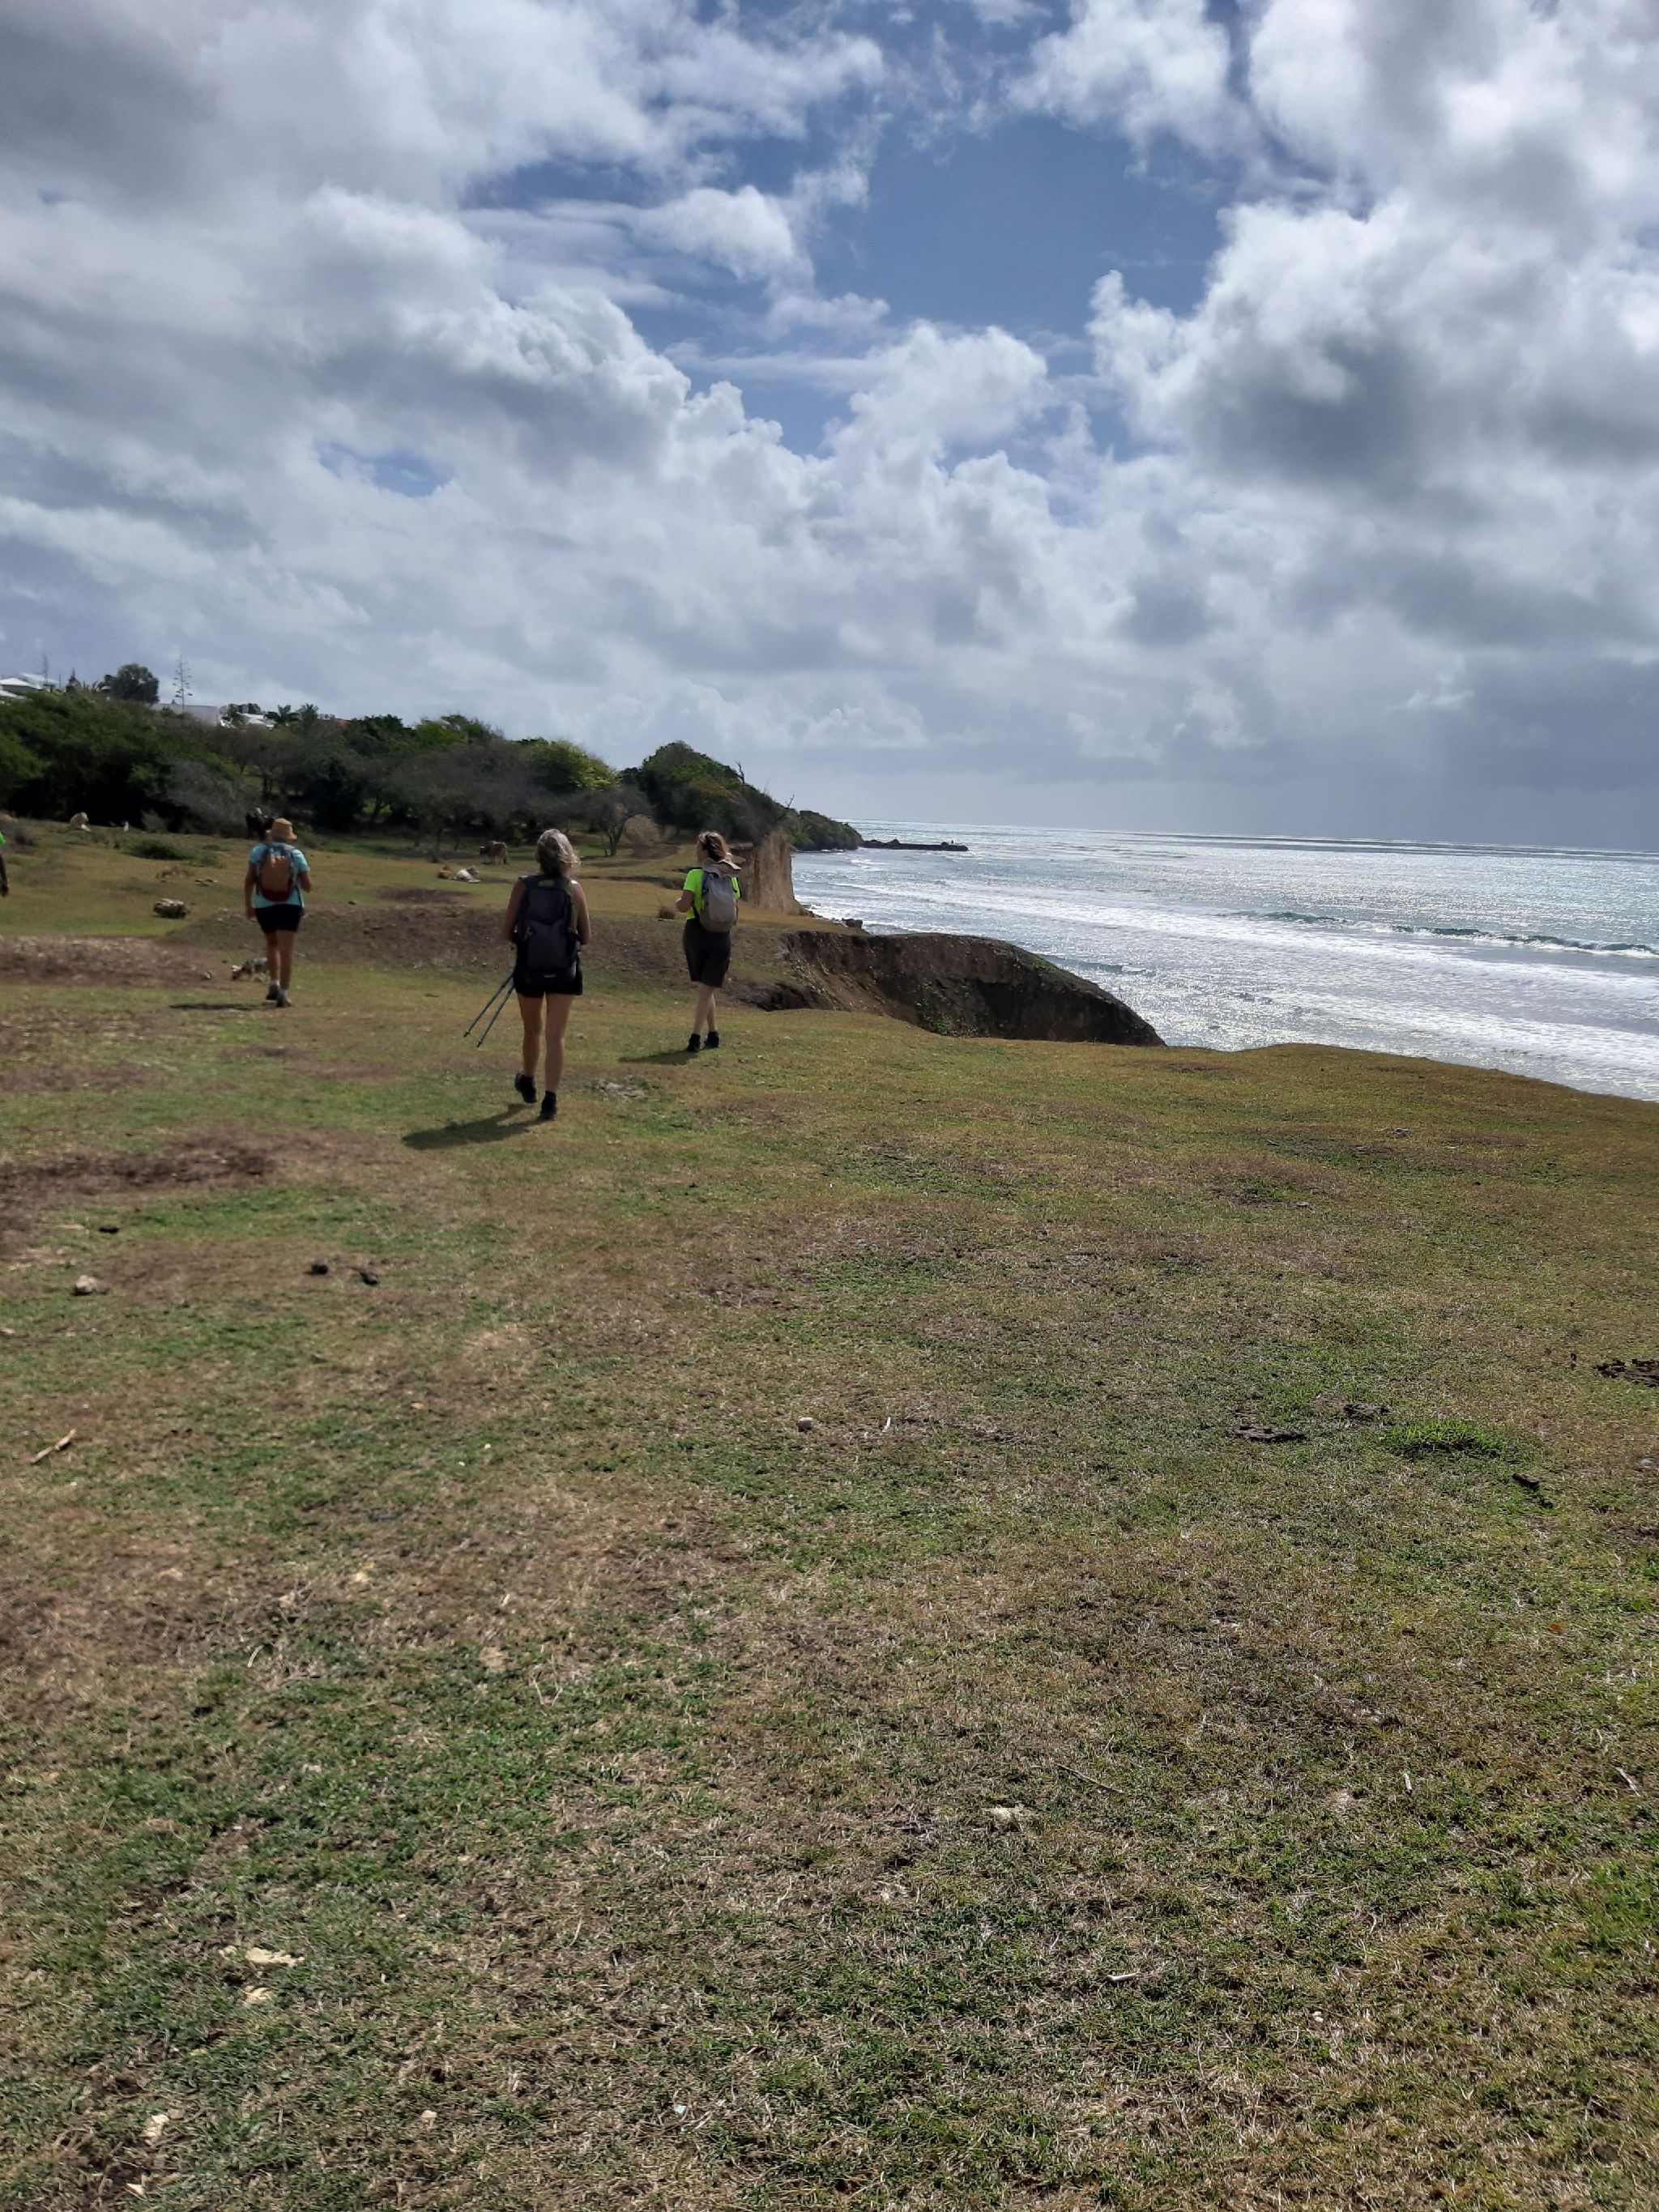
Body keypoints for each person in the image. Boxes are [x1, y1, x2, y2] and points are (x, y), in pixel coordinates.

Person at [502, 828, 590, 1122]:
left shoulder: (523, 886)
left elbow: (506, 931)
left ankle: (528, 1079)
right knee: (556, 1035)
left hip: (529, 969)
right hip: (564, 971)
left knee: (532, 1030)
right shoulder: (574, 888)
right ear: (568, 856)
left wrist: (528, 940)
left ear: (539, 856)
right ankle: (550, 1101)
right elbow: (586, 936)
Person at [675, 829, 740, 1053]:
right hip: (721, 936)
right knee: (707, 989)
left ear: (705, 850)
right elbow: (735, 908)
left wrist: (677, 903)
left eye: (697, 847)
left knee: (704, 989)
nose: (695, 850)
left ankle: (695, 1037)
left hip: (697, 933)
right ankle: (713, 1034)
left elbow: (684, 906)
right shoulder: (729, 875)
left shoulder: (695, 875)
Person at [243, 816, 311, 1006]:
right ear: (289, 836)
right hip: (290, 906)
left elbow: (249, 880)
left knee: (272, 944)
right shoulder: (296, 854)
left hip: (264, 905)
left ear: (272, 833)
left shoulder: (258, 852)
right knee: (287, 950)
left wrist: (248, 905)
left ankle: (273, 983)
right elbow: (308, 887)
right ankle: (284, 994)